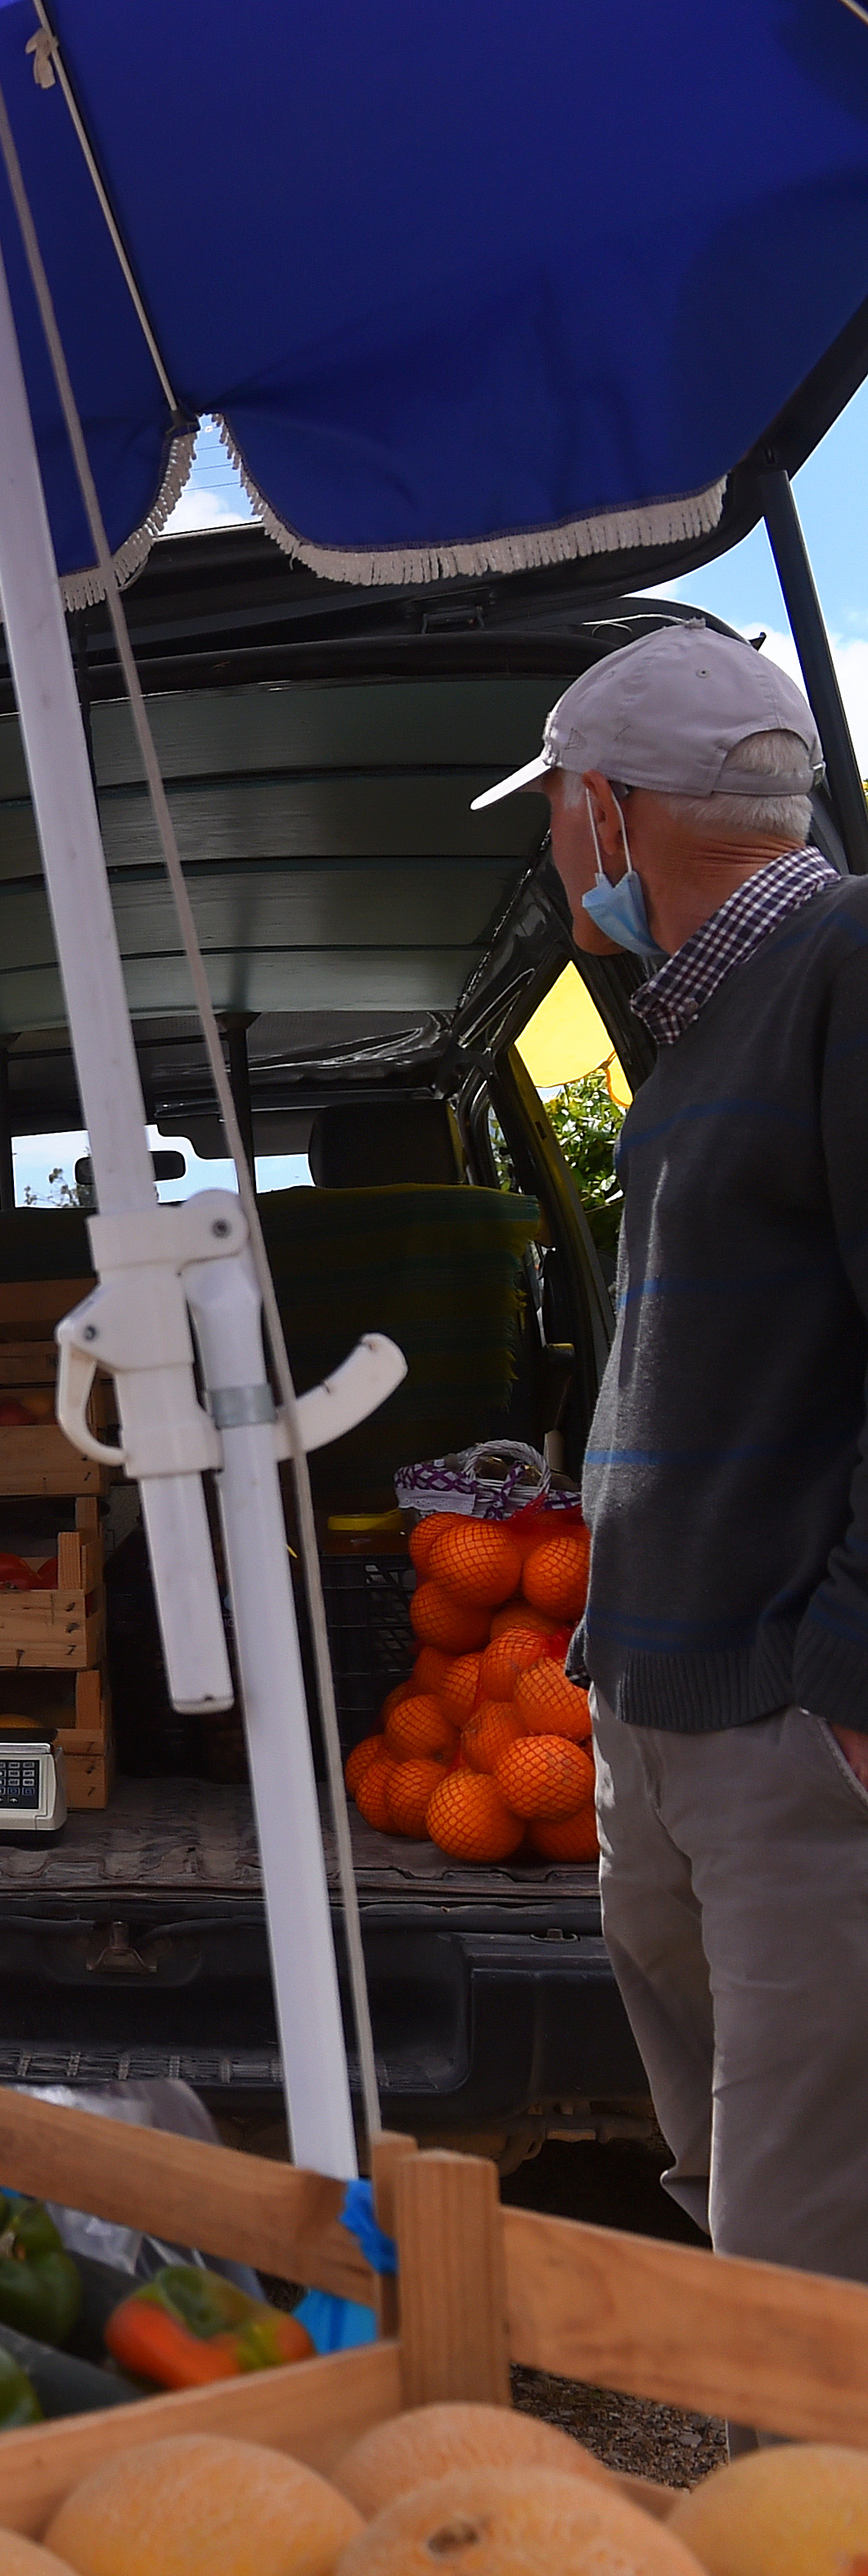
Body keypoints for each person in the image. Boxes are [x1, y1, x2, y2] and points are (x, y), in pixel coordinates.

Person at [481, 620, 868, 2294]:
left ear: (614, 814)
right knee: (729, 2192)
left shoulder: (849, 966)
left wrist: (847, 1670)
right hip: (664, 1696)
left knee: (801, 2249)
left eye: (560, 810)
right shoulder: (702, 1026)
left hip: (794, 1719)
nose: (556, 844)